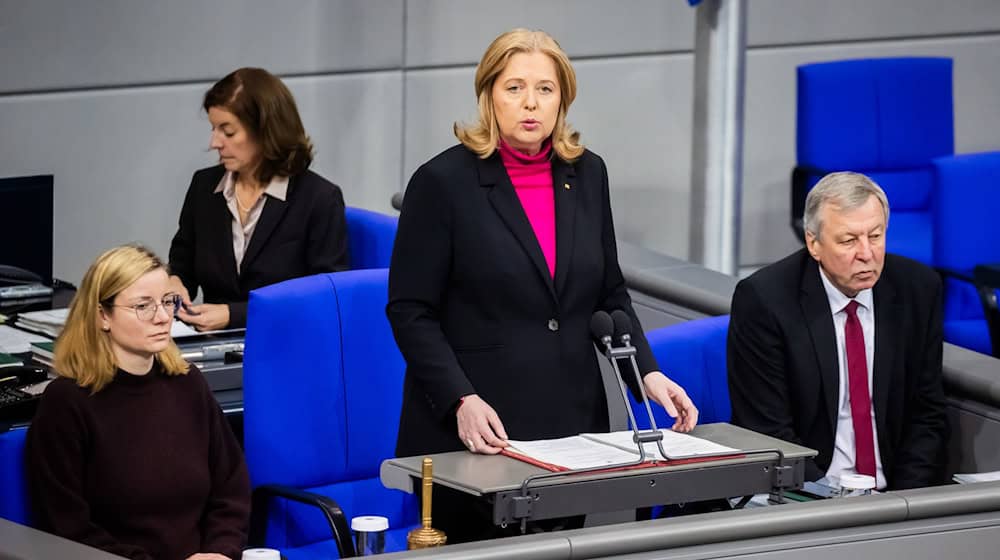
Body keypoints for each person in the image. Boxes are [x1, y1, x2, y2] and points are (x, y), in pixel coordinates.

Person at [387, 28, 698, 542]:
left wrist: (647, 373)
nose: (530, 103)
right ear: (488, 95)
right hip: (479, 430)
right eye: (514, 88)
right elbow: (409, 309)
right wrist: (459, 399)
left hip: (571, 423)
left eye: (545, 89)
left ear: (563, 99)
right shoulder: (443, 183)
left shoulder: (588, 173)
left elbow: (610, 292)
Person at [26, 245, 251, 560]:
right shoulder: (67, 403)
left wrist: (220, 551)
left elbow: (231, 489)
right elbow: (68, 529)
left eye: (167, 302)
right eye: (143, 306)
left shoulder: (188, 384)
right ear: (102, 315)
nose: (162, 317)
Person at [727, 171, 949, 491]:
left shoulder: (918, 290)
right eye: (848, 240)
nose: (866, 253)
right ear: (813, 243)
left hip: (897, 495)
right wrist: (832, 508)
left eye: (875, 236)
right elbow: (768, 433)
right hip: (808, 496)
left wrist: (903, 505)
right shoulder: (765, 301)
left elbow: (927, 416)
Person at [168, 67, 349, 331]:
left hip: (287, 339)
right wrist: (174, 282)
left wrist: (234, 315)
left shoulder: (319, 199)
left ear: (266, 132)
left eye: (227, 132)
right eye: (213, 129)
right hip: (213, 345)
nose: (214, 143)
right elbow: (183, 261)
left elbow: (323, 298)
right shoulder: (204, 186)